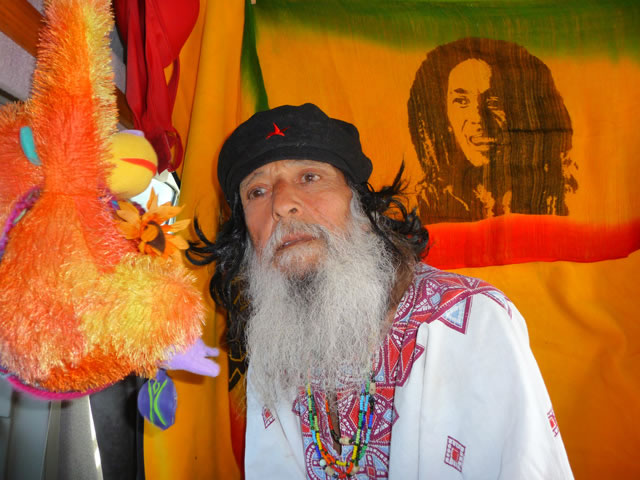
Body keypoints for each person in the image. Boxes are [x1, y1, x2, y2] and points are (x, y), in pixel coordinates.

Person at [187, 103, 574, 478]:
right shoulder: (273, 344)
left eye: (309, 177)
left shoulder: (473, 321)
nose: (282, 204)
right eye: (257, 192)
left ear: (361, 208)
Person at [408, 37, 578, 222]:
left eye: (494, 101)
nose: (478, 118)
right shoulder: (425, 202)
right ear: (444, 115)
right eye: (462, 102)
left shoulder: (559, 196)